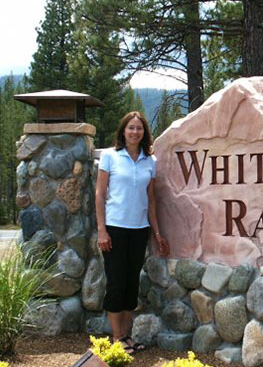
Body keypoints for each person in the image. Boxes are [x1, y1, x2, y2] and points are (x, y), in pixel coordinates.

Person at [95, 111, 169, 354]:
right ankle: (117, 338)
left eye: (139, 128)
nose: (135, 132)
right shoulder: (110, 157)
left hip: (140, 230)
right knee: (116, 283)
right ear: (123, 131)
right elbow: (100, 195)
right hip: (115, 229)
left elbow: (151, 200)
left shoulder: (151, 161)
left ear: (144, 133)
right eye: (131, 128)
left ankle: (126, 336)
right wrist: (102, 230)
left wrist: (156, 233)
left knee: (131, 285)